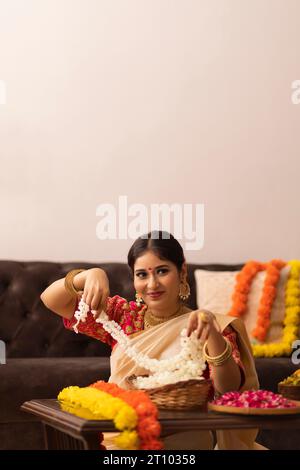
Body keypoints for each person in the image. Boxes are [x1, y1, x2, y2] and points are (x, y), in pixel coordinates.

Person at [40, 230, 264, 450]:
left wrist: (213, 335)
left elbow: (230, 388)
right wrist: (88, 275)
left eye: (162, 271)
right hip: (121, 441)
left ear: (182, 271)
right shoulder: (124, 316)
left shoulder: (203, 323)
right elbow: (52, 300)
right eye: (142, 275)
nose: (152, 284)